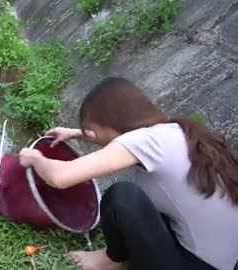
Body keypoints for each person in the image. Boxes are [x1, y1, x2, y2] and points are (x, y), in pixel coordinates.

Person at [19, 77, 238, 270]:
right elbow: (112, 138)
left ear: (108, 122)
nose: (91, 133)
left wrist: (36, 159)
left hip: (194, 264)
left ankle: (111, 261)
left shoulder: (142, 141)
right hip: (222, 260)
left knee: (122, 197)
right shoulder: (173, 132)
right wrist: (75, 134)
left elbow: (60, 177)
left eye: (91, 127)